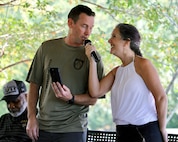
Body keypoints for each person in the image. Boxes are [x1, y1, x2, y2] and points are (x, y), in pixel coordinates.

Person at [26, 4, 104, 142]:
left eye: (91, 28)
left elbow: (93, 99)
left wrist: (71, 98)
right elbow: (34, 84)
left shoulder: (93, 57)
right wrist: (31, 117)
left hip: (73, 129)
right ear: (70, 23)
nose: (88, 33)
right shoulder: (47, 48)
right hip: (43, 127)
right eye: (84, 26)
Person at [85, 23, 168, 142]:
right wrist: (92, 61)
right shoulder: (117, 71)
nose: (109, 40)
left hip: (146, 131)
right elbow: (95, 92)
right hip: (123, 133)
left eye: (114, 36)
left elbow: (161, 97)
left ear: (126, 42)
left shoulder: (143, 64)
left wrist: (162, 129)